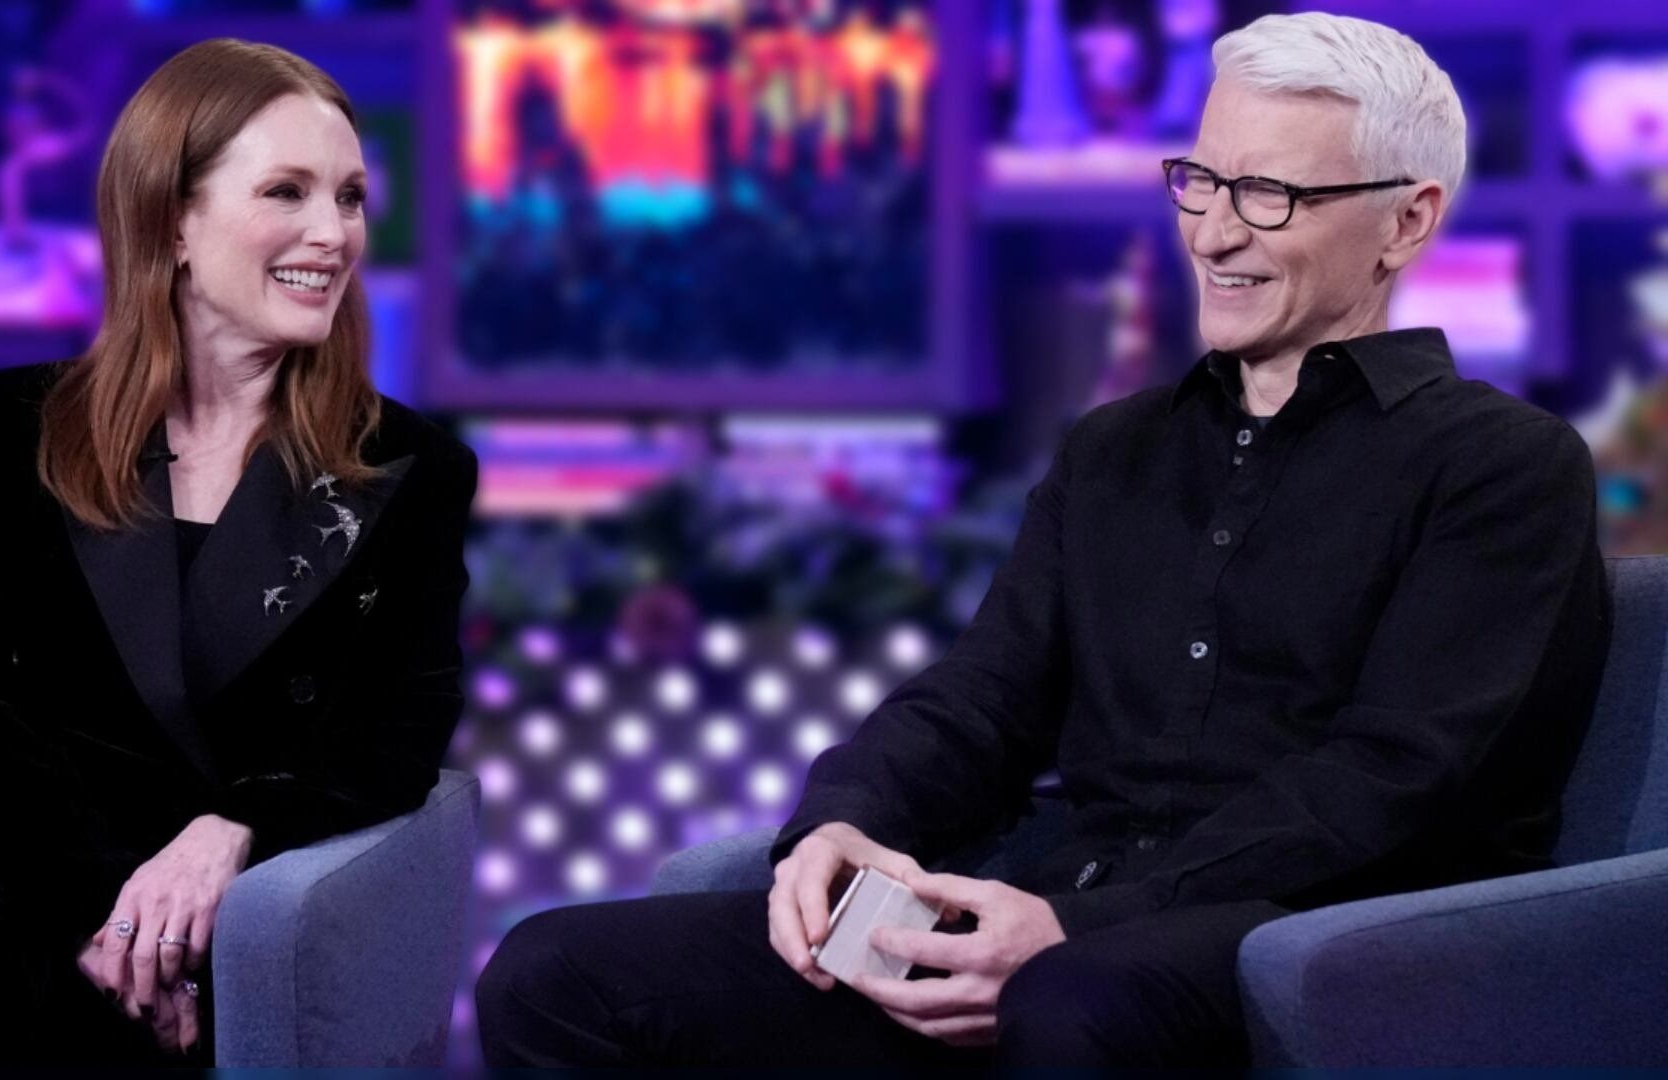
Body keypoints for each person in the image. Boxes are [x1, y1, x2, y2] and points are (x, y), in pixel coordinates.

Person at [476, 12, 1608, 1067]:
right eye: (1202, 180)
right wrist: (841, 822)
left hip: (1301, 937)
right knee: (554, 971)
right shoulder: (1114, 450)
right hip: (1050, 903)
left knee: (1069, 1004)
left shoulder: (1503, 465)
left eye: (1270, 195)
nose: (1214, 231)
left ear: (1408, 220)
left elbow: (1386, 782)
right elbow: (982, 697)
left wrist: (1075, 927)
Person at [0, 38, 477, 1066]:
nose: (334, 233)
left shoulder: (413, 469)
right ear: (171, 219)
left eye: (350, 197)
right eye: (287, 191)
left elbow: (395, 733)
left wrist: (232, 831)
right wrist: (106, 909)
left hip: (198, 895)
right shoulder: (7, 425)